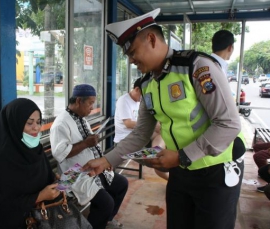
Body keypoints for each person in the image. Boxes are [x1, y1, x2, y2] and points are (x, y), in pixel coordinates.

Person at [83, 8, 246, 229]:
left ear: (151, 39)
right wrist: (106, 160)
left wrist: (181, 157)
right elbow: (141, 133)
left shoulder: (197, 67)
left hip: (214, 174)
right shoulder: (148, 84)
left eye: (132, 53)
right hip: (180, 174)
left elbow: (228, 124)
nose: (131, 61)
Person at [50, 84, 128, 229]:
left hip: (93, 169)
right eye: (90, 103)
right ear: (79, 100)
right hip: (74, 174)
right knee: (106, 203)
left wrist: (104, 161)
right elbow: (60, 154)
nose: (92, 107)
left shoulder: (81, 118)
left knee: (121, 184)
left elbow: (92, 147)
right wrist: (86, 143)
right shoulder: (61, 123)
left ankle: (107, 220)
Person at [0, 98, 61, 228]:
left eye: (38, 122)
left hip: (40, 218)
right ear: (15, 124)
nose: (36, 127)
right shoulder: (2, 159)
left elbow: (42, 175)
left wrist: (54, 179)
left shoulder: (35, 149)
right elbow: (1, 205)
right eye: (29, 123)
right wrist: (39, 196)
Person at [114, 77, 168, 180]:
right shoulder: (123, 101)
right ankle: (155, 154)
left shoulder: (139, 101)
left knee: (162, 135)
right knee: (161, 164)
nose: (144, 97)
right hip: (126, 141)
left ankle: (156, 151)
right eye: (144, 93)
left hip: (139, 136)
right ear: (137, 89)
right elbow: (128, 123)